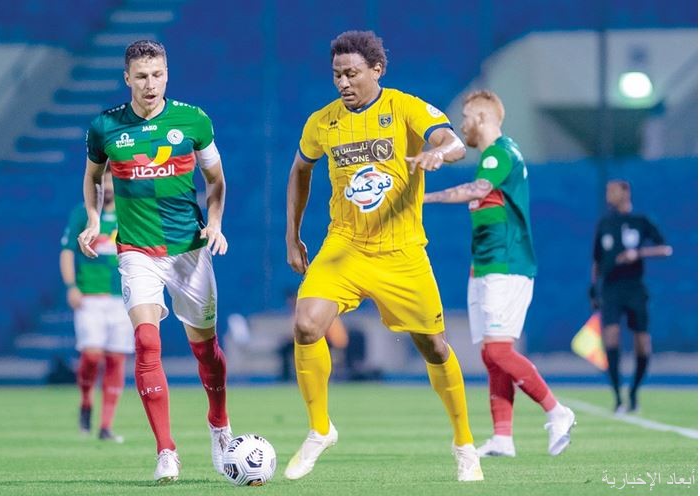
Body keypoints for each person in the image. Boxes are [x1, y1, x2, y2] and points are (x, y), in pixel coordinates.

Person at [285, 31, 483, 482]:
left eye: (352, 73)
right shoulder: (322, 122)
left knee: (433, 346)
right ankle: (320, 430)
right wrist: (292, 236)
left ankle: (464, 443)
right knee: (306, 324)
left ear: (377, 69)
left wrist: (439, 153)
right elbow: (300, 170)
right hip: (345, 246)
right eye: (337, 74)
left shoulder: (405, 107)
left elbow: (452, 142)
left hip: (401, 251)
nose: (343, 82)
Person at [77, 40, 232, 484]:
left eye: (158, 74)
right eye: (142, 76)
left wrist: (215, 224)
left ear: (167, 75)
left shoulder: (193, 120)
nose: (150, 84)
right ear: (127, 78)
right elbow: (92, 177)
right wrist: (93, 220)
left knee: (206, 351)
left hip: (189, 250)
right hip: (136, 250)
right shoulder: (105, 127)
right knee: (146, 341)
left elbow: (216, 180)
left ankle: (219, 425)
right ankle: (166, 450)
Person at [424, 90, 576, 458]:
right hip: (485, 266)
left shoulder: (500, 153)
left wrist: (423, 199)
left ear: (481, 117)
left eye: (465, 117)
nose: (461, 125)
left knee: (498, 349)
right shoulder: (492, 158)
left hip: (506, 265)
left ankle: (557, 411)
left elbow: (477, 190)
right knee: (491, 356)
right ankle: (503, 438)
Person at [60, 168, 133, 443]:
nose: (109, 185)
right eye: (104, 180)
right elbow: (67, 251)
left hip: (122, 297)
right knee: (91, 356)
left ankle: (105, 426)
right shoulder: (83, 213)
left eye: (112, 180)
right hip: (90, 296)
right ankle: (86, 399)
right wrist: (71, 286)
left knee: (116, 359)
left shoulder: (129, 211)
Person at [591, 180, 672, 414]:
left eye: (612, 191)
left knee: (642, 344)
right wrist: (593, 289)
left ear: (625, 193)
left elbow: (665, 248)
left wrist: (638, 253)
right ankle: (617, 396)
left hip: (635, 289)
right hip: (611, 289)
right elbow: (596, 260)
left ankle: (634, 391)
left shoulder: (641, 221)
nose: (608, 195)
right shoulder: (605, 223)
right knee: (611, 338)